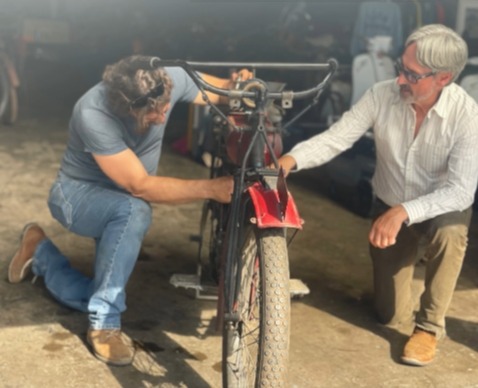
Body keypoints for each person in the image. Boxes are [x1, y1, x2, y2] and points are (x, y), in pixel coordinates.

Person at [7, 55, 252, 366]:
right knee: (135, 210)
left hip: (120, 198)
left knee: (94, 294)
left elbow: (218, 91)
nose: (163, 118)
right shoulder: (93, 112)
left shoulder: (165, 79)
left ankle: (39, 249)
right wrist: (211, 189)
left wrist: (240, 84)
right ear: (125, 107)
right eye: (151, 114)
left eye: (165, 107)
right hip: (76, 195)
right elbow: (139, 186)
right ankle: (105, 326)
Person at [278, 24, 478, 366]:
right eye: (400, 68)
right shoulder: (381, 94)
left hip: (438, 209)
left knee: (450, 233)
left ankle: (429, 327)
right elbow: (337, 138)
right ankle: (405, 270)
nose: (400, 80)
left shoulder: (467, 115)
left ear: (443, 78)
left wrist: (403, 211)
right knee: (388, 316)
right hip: (390, 207)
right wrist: (289, 160)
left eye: (412, 76)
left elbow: (461, 190)